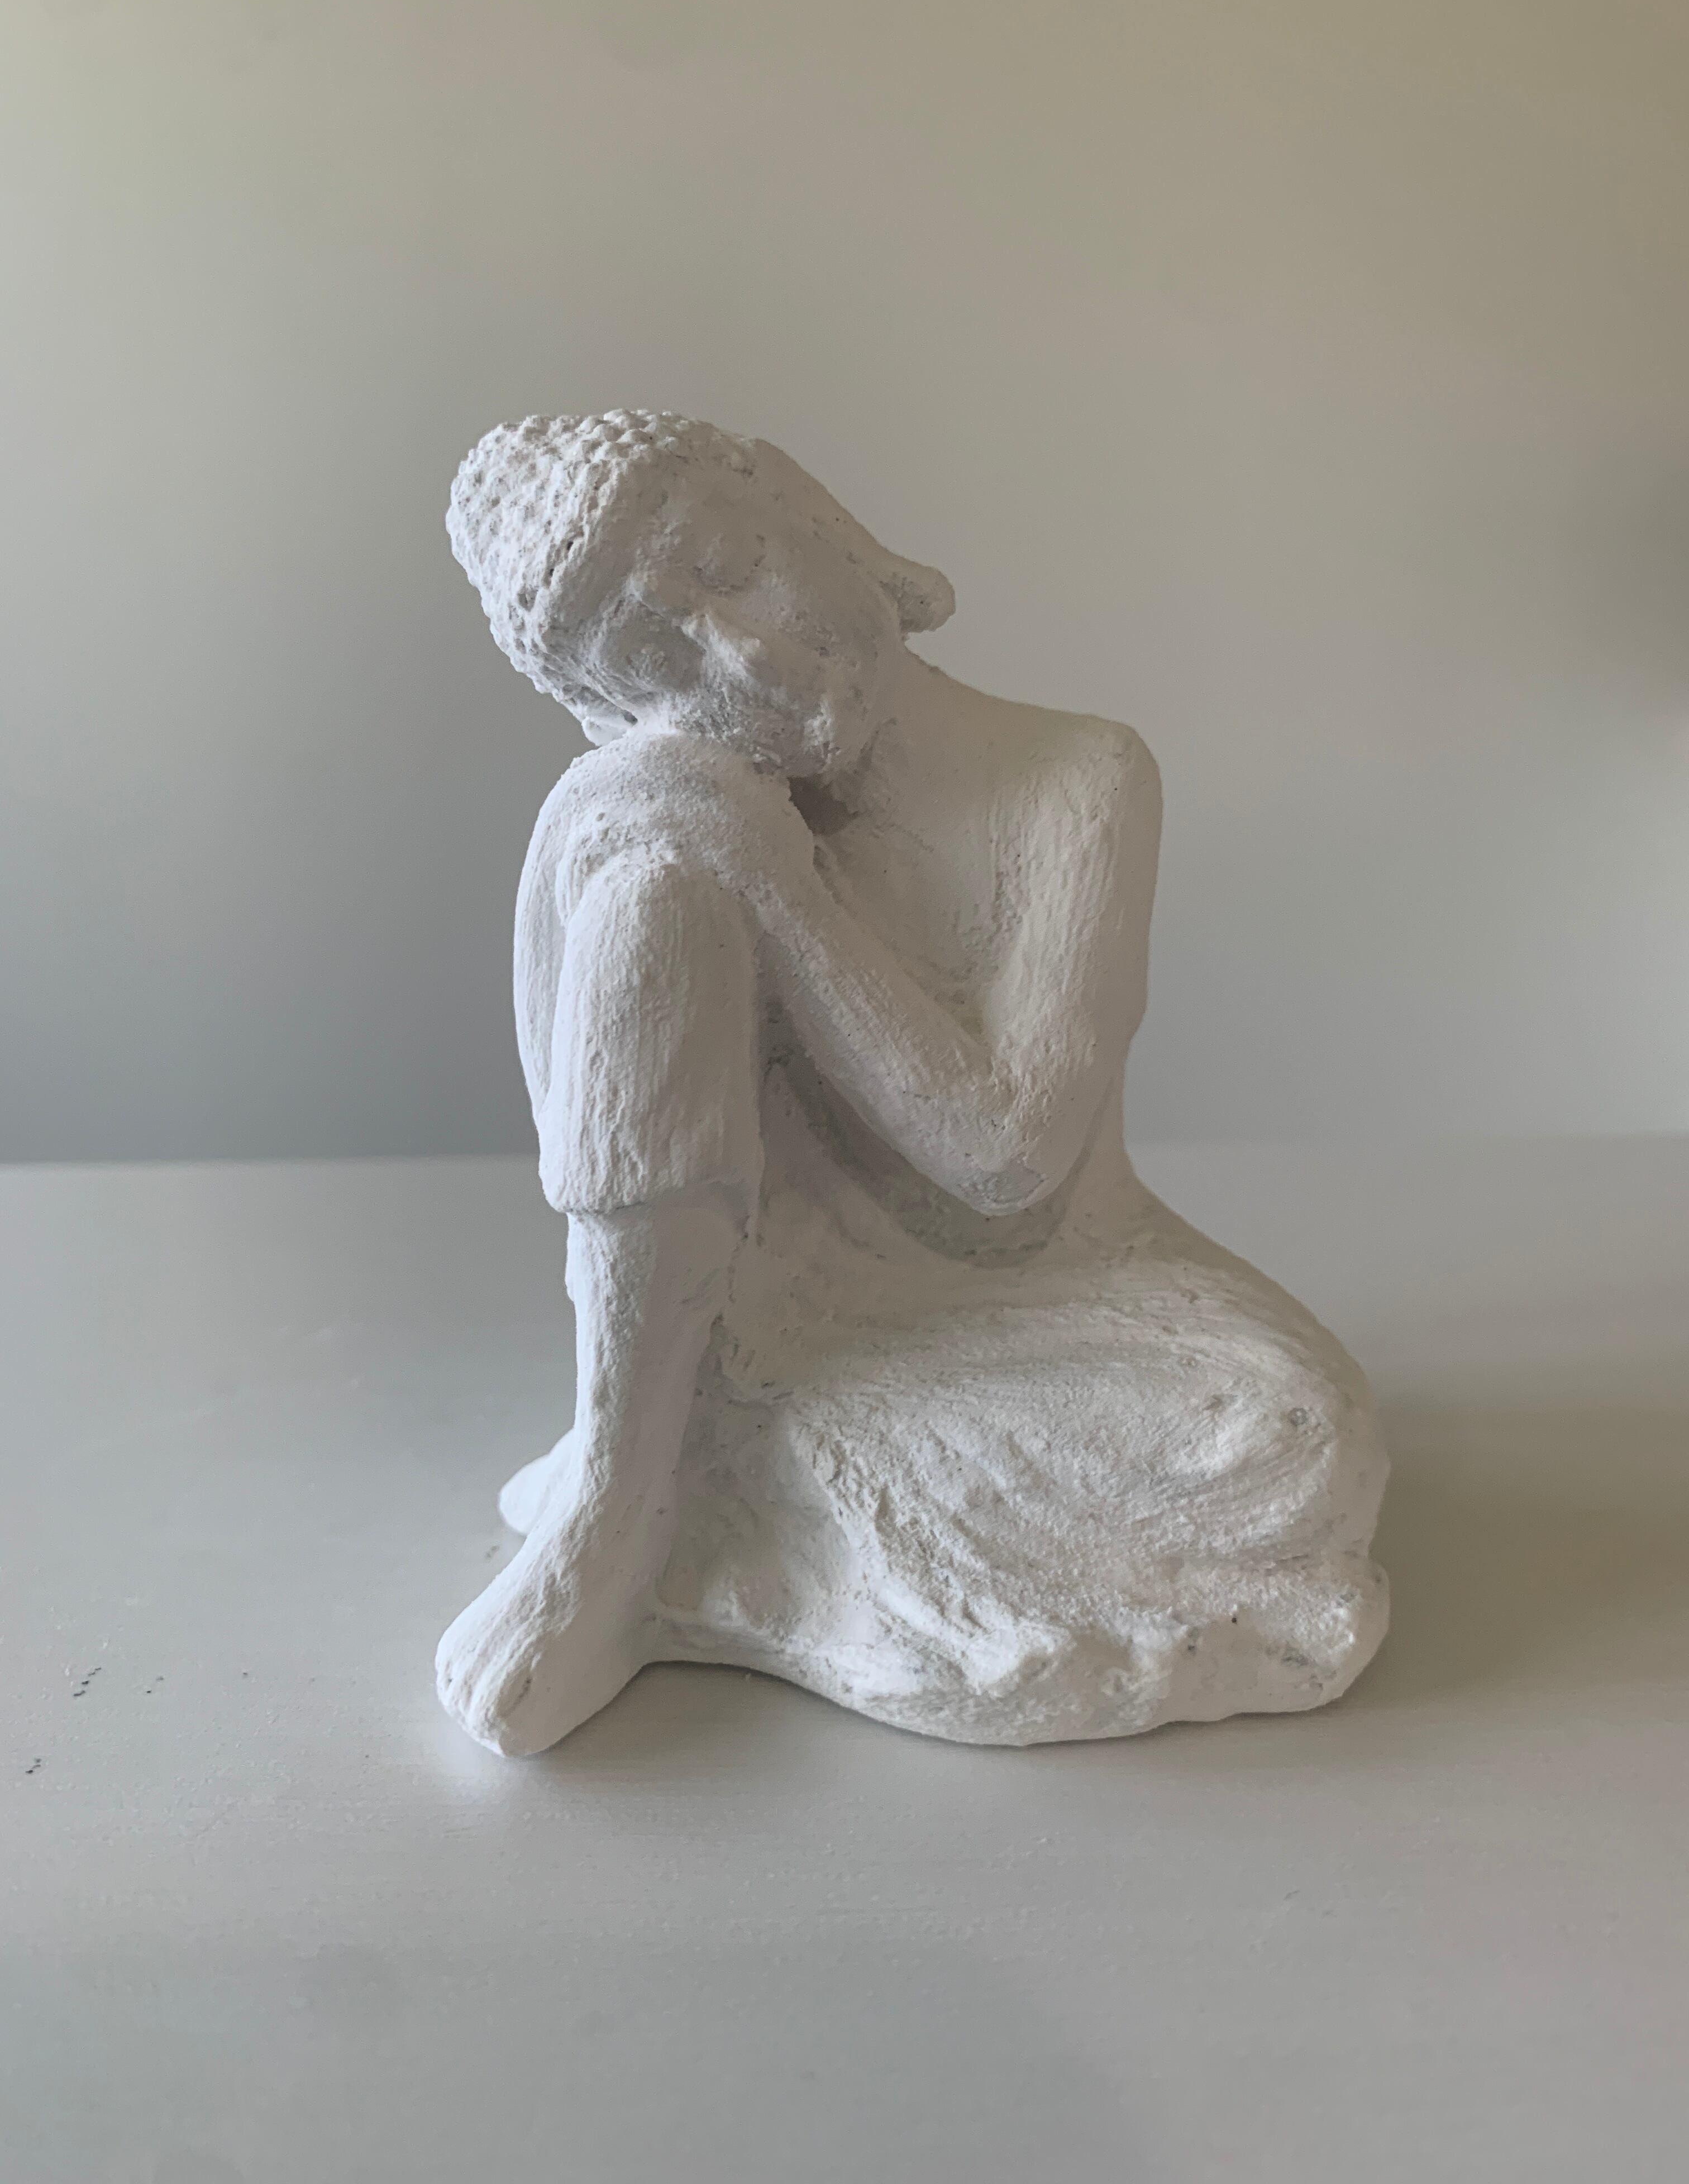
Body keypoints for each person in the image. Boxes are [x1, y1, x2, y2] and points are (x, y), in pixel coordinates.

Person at [436, 412, 1387, 1757]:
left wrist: (780, 881)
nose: (749, 658)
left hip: (1054, 1295)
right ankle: (618, 1495)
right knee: (649, 885)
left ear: (808, 510)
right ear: (617, 705)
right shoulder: (672, 826)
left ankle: (736, 1477)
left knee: (1291, 1434)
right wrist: (697, 847)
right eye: (660, 661)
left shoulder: (1080, 779)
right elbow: (591, 1068)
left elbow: (1008, 1157)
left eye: (736, 566)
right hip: (740, 1299)